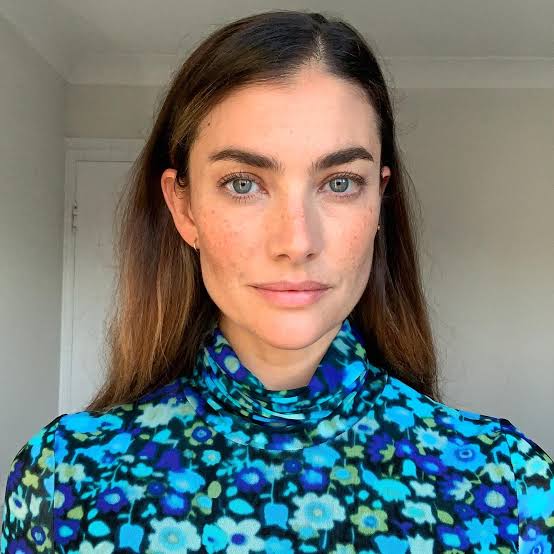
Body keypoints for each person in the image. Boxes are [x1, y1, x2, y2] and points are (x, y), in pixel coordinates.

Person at [2, 9, 553, 553]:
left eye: (340, 183)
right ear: (184, 208)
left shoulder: (510, 482)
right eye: (243, 183)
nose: (296, 240)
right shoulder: (63, 478)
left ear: (379, 203)